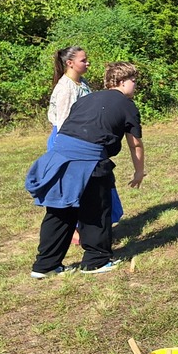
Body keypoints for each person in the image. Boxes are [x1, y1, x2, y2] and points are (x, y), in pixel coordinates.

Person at [26, 62, 145, 277]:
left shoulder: (86, 98)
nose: (135, 86)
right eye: (134, 81)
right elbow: (135, 143)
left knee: (59, 212)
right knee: (96, 209)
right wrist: (139, 172)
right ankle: (96, 262)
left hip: (58, 158)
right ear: (122, 82)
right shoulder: (128, 105)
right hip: (88, 161)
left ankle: (45, 266)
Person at [47, 46, 123, 238]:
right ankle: (76, 230)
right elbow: (65, 122)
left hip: (84, 140)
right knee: (75, 187)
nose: (88, 63)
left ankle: (95, 227)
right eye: (83, 60)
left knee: (95, 185)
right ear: (69, 63)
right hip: (69, 142)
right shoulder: (65, 88)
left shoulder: (82, 83)